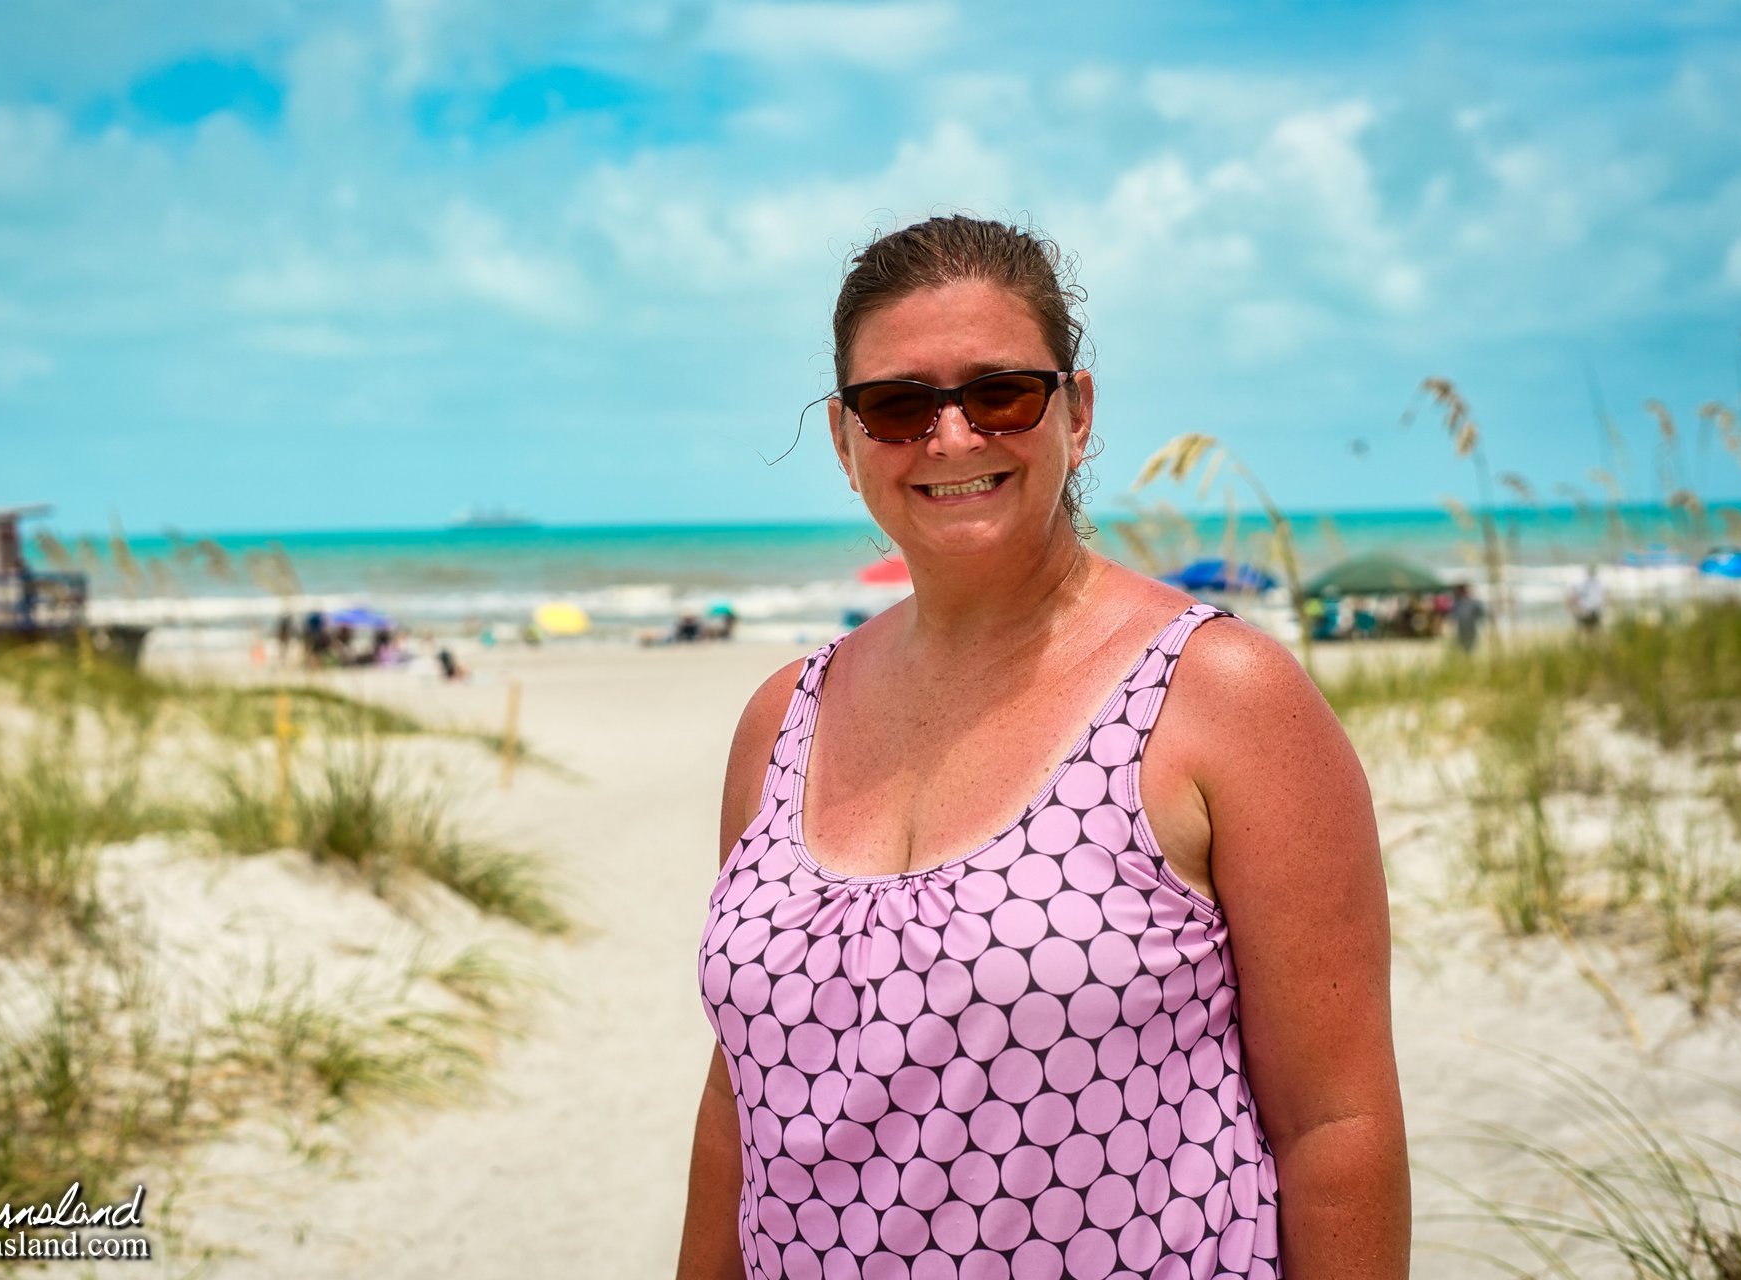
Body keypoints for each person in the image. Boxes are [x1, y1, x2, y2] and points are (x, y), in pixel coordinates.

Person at [678, 216, 1408, 1279]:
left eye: (1001, 392)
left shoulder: (1216, 697)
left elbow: (1336, 1127)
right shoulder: (784, 716)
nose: (954, 437)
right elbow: (741, 1091)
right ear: (844, 440)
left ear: (1078, 409)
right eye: (898, 405)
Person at [1449, 582, 1486, 654]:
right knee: (1463, 649)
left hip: (1471, 630)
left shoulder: (1474, 603)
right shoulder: (1457, 603)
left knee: (1472, 649)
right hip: (1461, 631)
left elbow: (1481, 615)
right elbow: (1453, 617)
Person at [1568, 563, 1603, 636]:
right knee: (1592, 630)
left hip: (1587, 610)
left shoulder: (1584, 582)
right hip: (1592, 609)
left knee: (1585, 630)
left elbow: (1575, 596)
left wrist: (1573, 607)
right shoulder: (1598, 582)